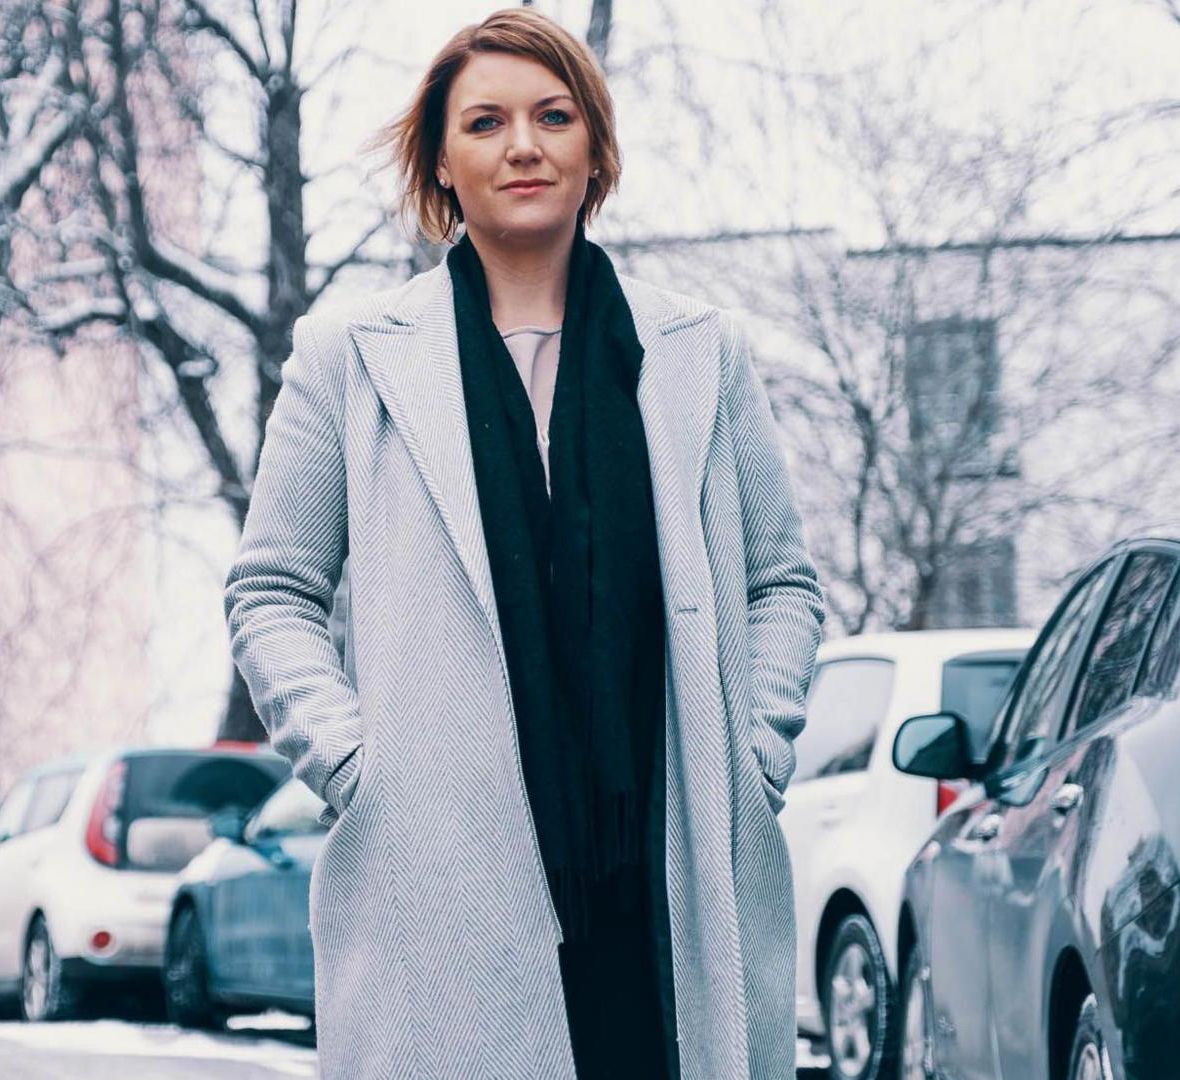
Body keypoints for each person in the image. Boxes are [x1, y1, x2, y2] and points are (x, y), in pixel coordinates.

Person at [222, 8, 824, 1078]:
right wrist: (364, 770)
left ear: (594, 147)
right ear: (442, 164)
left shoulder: (697, 353)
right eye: (486, 122)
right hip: (445, 874)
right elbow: (271, 591)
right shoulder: (349, 359)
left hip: (667, 869)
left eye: (553, 116)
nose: (523, 145)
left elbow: (783, 583)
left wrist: (753, 757)